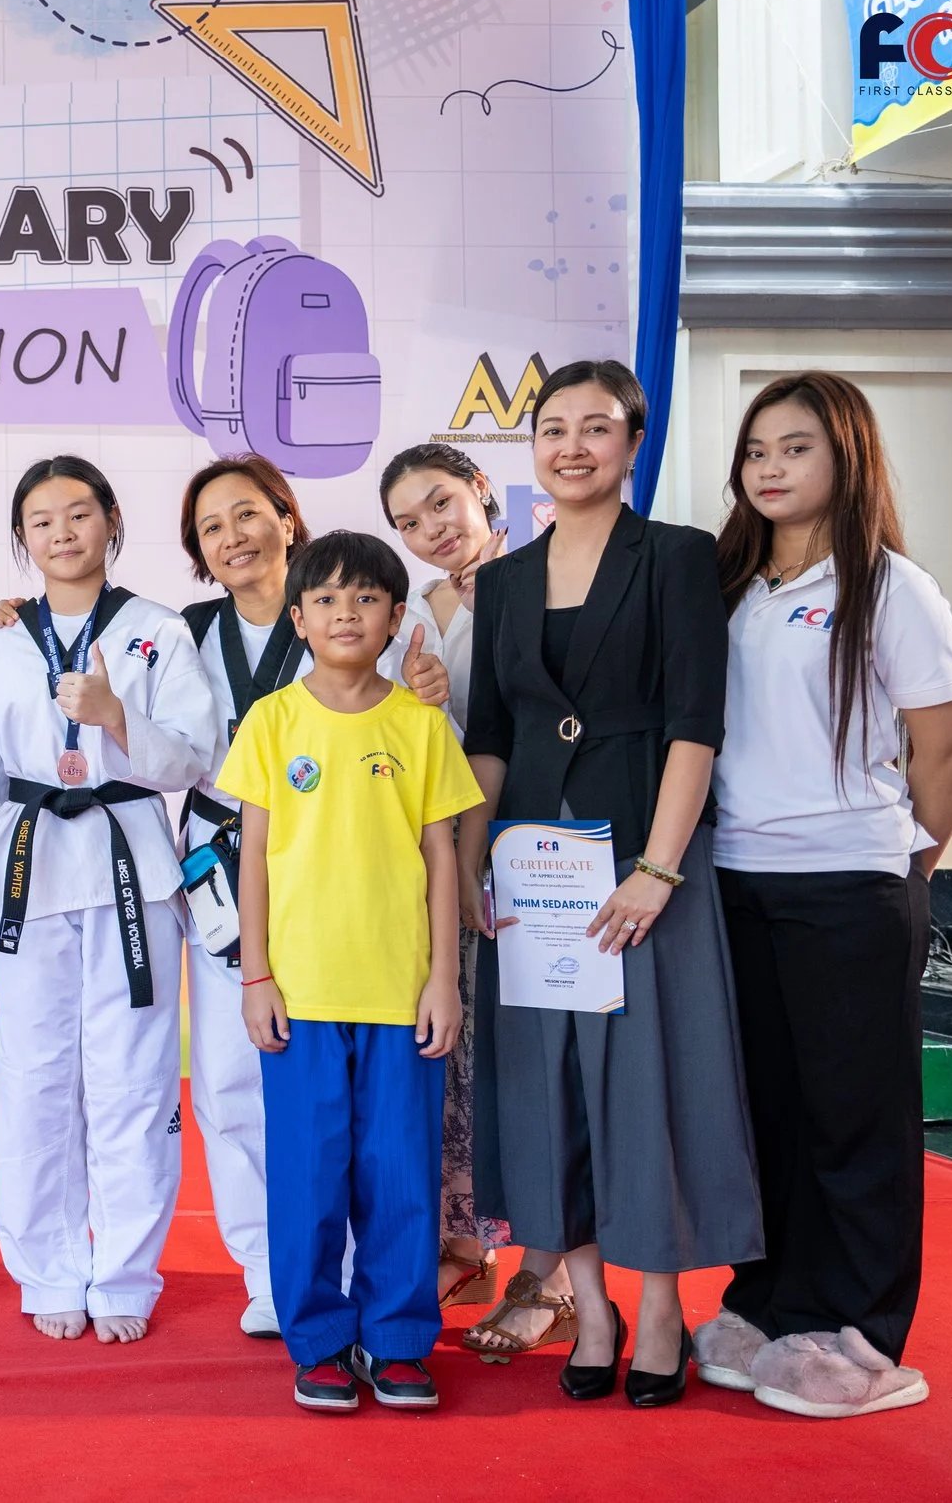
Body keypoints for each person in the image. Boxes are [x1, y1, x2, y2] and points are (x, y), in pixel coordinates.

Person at [0, 456, 447, 1339]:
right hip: (221, 874)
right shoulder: (181, 628)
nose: (232, 537)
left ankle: (365, 1272)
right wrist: (14, 622)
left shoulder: (376, 617)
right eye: (210, 528)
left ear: (287, 516)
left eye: (247, 515)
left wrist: (437, 686)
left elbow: (428, 742)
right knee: (233, 1087)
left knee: (354, 1093)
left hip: (347, 868)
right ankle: (272, 1274)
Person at [457, 359, 762, 1409]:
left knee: (649, 1091)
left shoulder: (675, 559)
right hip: (531, 872)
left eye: (597, 428)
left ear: (633, 445)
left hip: (645, 863)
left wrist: (658, 867)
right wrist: (472, 868)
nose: (572, 445)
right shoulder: (500, 580)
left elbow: (696, 723)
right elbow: (487, 740)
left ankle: (664, 1306)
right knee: (548, 1096)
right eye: (552, 428)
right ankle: (589, 1304)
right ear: (530, 447)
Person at [690, 372, 952, 1418]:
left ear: (844, 456)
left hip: (851, 885)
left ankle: (861, 1332)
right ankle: (770, 1305)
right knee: (769, 1114)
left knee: (857, 1119)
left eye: (795, 447)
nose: (769, 467)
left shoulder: (893, 588)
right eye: (756, 449)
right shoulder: (724, 582)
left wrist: (909, 863)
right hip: (735, 883)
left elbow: (945, 747)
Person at [223, 530, 485, 1412]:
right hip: (298, 995)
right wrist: (255, 978)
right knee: (307, 1175)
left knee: (399, 1174)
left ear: (395, 617)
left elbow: (441, 857)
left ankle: (401, 1339)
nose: (346, 613)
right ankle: (321, 1339)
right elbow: (252, 857)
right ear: (297, 618)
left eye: (366, 598)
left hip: (401, 993)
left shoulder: (419, 725)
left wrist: (443, 977)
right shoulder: (271, 722)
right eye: (327, 599)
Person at [0, 455, 214, 1344]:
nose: (62, 533)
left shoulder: (158, 630)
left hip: (129, 868)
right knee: (31, 1078)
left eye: (78, 513)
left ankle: (126, 1276)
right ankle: (47, 1270)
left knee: (133, 1080)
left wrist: (114, 719)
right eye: (41, 520)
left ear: (111, 519)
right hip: (29, 868)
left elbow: (193, 758)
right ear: (22, 540)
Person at [378, 444, 552, 1344]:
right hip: (453, 861)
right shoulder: (416, 611)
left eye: (441, 503)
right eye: (409, 522)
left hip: (550, 856)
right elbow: (425, 747)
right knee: (464, 1062)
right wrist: (427, 704)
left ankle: (550, 1278)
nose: (432, 529)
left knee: (539, 1062)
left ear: (483, 490)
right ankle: (466, 1241)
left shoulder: (549, 575)